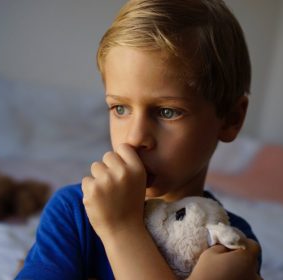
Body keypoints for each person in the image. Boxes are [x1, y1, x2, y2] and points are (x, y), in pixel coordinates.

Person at [16, 0, 262, 279]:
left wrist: (123, 230)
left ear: (230, 119)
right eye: (120, 108)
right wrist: (119, 227)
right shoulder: (75, 212)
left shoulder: (232, 242)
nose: (134, 138)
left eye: (168, 112)